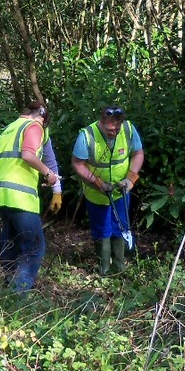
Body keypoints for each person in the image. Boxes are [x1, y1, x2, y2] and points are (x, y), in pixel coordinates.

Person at [0, 101, 60, 293]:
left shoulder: (9, 129)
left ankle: (7, 285)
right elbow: (28, 154)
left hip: (1, 195)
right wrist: (48, 174)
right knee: (34, 247)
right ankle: (18, 292)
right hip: (21, 197)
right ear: (42, 117)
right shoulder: (34, 126)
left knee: (10, 242)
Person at [71, 105, 145, 275]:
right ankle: (104, 268)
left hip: (121, 191)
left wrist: (131, 178)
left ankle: (119, 267)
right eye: (110, 129)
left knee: (121, 225)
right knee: (102, 228)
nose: (114, 132)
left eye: (117, 129)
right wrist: (98, 183)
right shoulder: (87, 135)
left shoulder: (128, 129)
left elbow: (138, 154)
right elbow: (77, 163)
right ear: (101, 123)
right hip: (96, 193)